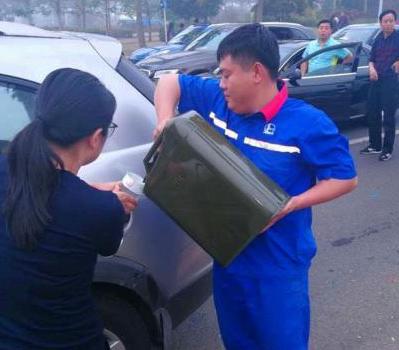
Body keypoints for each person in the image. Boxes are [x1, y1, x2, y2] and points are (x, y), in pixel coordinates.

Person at [153, 24, 357, 350]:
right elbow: (169, 82)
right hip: (228, 261)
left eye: (227, 74)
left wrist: (291, 204)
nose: (221, 83)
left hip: (278, 271)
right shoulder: (219, 102)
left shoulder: (307, 123)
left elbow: (345, 178)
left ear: (257, 73)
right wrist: (165, 123)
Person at [0, 68, 138, 350]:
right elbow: (107, 241)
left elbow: (47, 196)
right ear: (95, 137)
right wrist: (112, 204)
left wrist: (92, 191)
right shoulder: (99, 211)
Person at [360, 9, 399, 161]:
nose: (388, 23)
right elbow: (371, 58)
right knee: (373, 114)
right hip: (376, 81)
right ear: (380, 23)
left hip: (390, 82)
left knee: (388, 117)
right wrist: (371, 68)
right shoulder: (378, 39)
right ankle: (375, 145)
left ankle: (387, 149)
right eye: (385, 21)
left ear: (394, 22)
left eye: (391, 21)